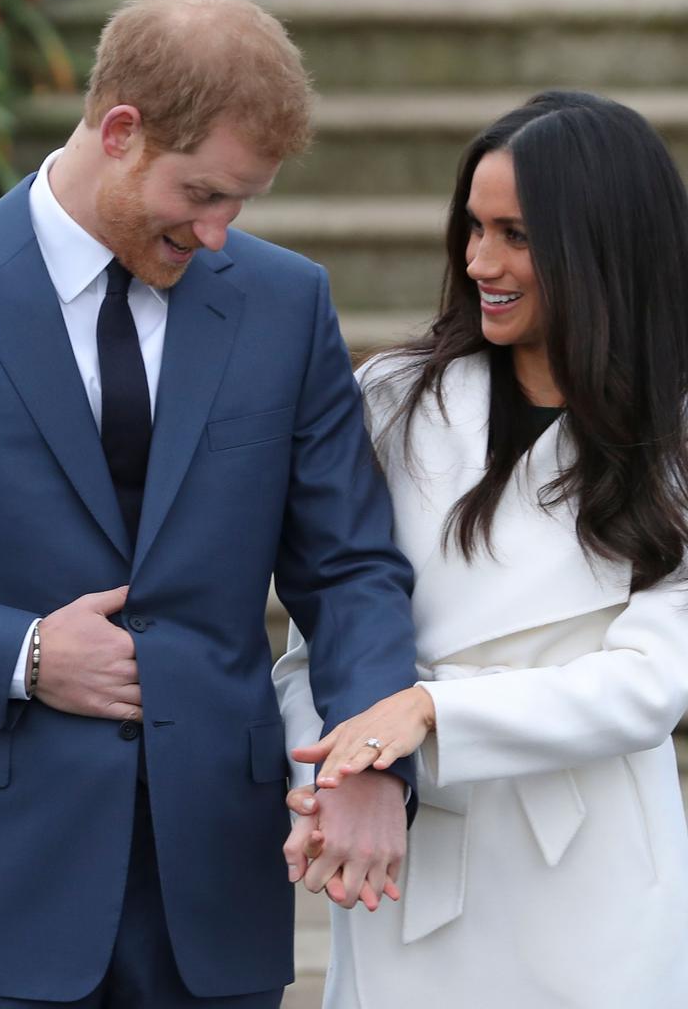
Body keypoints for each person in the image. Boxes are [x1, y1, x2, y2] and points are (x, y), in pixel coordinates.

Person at [0, 0, 419, 1006]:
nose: (221, 234)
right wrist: (17, 653)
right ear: (120, 131)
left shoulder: (288, 305)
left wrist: (372, 752)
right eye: (202, 195)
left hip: (215, 896)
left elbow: (351, 565)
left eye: (243, 203)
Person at [276, 90, 688, 1008]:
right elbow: (318, 640)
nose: (479, 263)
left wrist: (427, 714)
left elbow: (652, 684)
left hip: (592, 876)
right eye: (473, 227)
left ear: (602, 246)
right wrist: (342, 775)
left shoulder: (675, 440)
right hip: (404, 856)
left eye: (517, 235)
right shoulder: (390, 398)